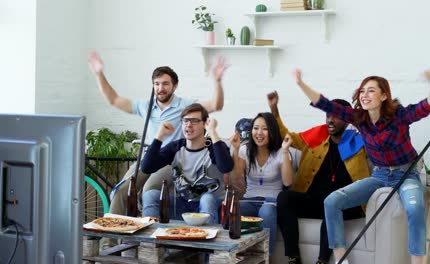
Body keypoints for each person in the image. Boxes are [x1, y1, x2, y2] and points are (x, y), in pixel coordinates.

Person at [292, 69, 430, 264]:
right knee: (332, 201)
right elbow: (325, 104)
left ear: (384, 95)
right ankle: (341, 259)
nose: (364, 95)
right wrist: (301, 83)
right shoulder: (359, 118)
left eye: (371, 91)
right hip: (379, 176)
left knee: (415, 208)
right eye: (362, 91)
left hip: (406, 174)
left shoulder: (400, 116)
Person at [87, 51, 228, 217]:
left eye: (165, 84)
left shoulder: (186, 106)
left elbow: (215, 105)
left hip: (170, 160)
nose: (161, 88)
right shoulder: (145, 106)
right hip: (149, 156)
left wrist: (217, 81)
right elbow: (114, 100)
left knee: (148, 191)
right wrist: (98, 74)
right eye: (157, 84)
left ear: (174, 86)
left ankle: (149, 239)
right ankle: (110, 241)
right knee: (120, 192)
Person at [268, 91, 370, 264]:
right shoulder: (317, 136)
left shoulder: (360, 142)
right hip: (316, 200)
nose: (330, 120)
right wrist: (274, 109)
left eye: (336, 116)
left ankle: (322, 261)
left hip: (347, 203)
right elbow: (287, 137)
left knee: (332, 206)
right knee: (284, 197)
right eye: (328, 115)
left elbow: (383, 145)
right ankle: (293, 257)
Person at [140, 103, 234, 224]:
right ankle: (152, 240)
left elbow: (226, 167)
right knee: (150, 195)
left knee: (207, 198)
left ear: (205, 124)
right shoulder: (176, 147)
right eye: (185, 121)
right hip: (183, 205)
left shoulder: (214, 147)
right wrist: (159, 136)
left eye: (194, 121)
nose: (189, 125)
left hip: (213, 206)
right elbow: (146, 167)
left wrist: (213, 132)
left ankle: (208, 239)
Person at [230, 112, 296, 255]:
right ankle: (233, 254)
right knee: (231, 209)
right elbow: (235, 178)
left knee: (266, 211)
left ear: (272, 131)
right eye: (256, 128)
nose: (259, 133)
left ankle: (265, 257)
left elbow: (288, 182)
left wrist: (285, 151)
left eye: (264, 129)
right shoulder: (245, 149)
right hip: (250, 199)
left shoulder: (282, 151)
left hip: (272, 202)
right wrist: (235, 150)